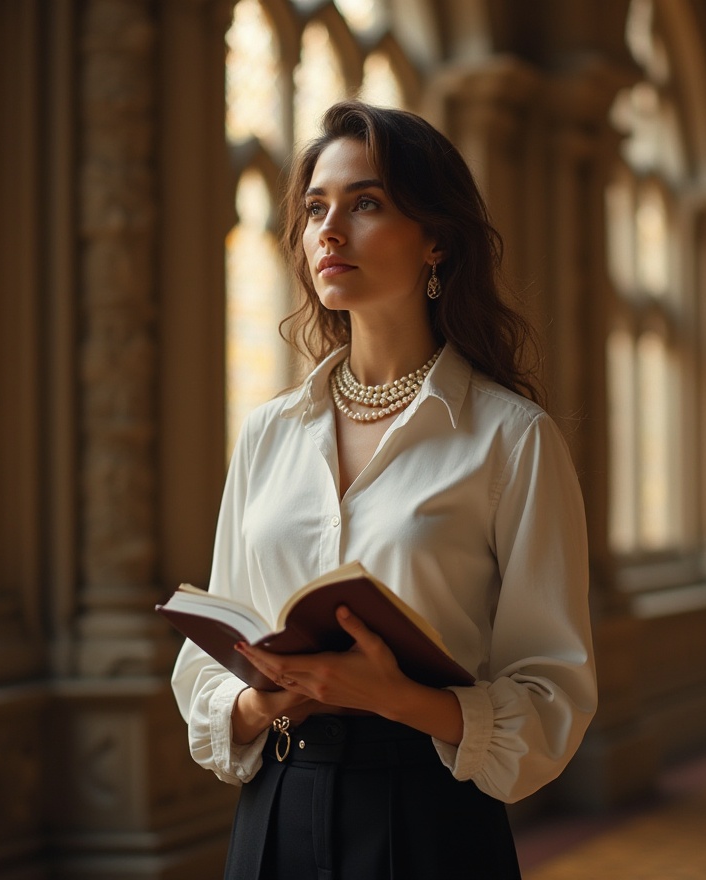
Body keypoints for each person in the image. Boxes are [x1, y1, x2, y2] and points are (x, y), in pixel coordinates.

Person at [171, 100, 597, 879]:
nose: (329, 230)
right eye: (315, 208)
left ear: (437, 238)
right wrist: (261, 704)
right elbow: (207, 666)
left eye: (365, 203)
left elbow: (552, 695)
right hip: (275, 807)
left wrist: (401, 698)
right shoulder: (268, 433)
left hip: (429, 816)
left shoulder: (512, 440)